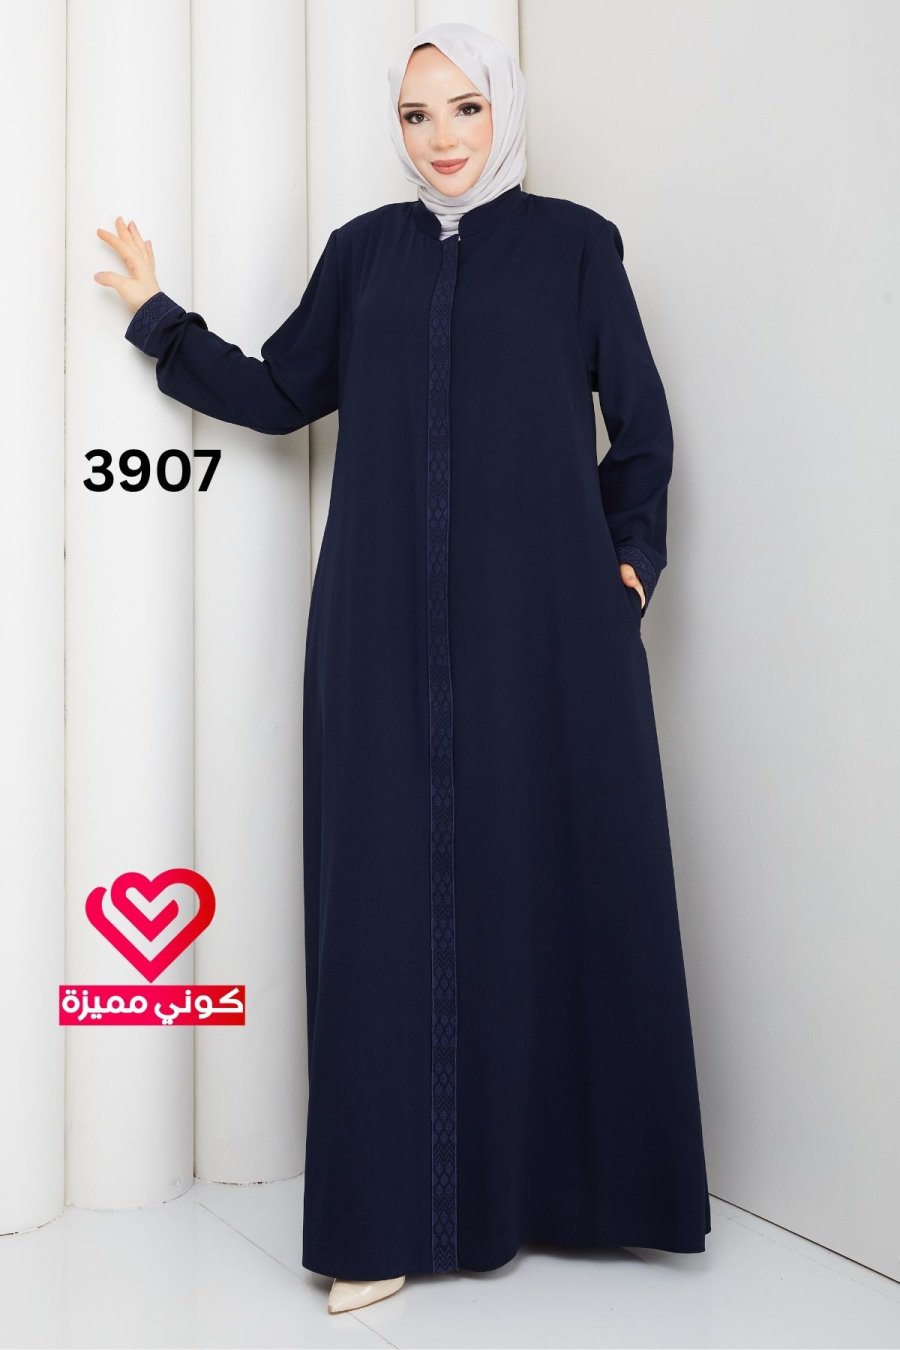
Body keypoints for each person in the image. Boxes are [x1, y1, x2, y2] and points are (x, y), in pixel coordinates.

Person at [94, 18, 711, 1318]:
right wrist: (159, 317)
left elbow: (644, 429)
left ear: (504, 111)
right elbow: (280, 391)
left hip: (547, 636)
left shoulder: (576, 247)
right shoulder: (363, 254)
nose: (441, 138)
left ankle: (581, 1192)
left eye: (465, 108)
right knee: (384, 905)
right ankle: (379, 1218)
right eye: (417, 114)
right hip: (379, 629)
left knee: (554, 881)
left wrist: (630, 563)